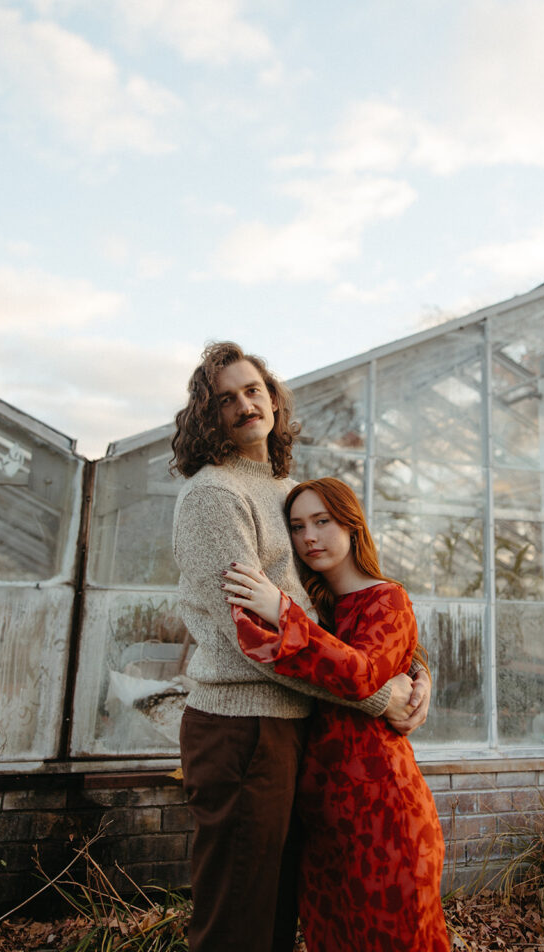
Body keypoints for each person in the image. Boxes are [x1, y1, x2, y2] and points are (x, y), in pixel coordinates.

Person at [171, 342, 431, 952]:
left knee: (278, 912)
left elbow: (333, 612)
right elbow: (250, 642)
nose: (244, 404)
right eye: (226, 397)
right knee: (239, 917)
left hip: (292, 725)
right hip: (242, 727)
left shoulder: (284, 490)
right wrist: (375, 697)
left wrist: (413, 672)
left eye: (254, 389)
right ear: (208, 413)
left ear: (274, 398)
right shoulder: (216, 495)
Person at [223, 477, 450, 952]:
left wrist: (280, 613)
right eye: (298, 526)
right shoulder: (320, 605)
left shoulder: (386, 598)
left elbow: (363, 673)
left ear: (352, 525)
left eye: (323, 522)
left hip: (385, 814)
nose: (309, 537)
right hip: (324, 822)